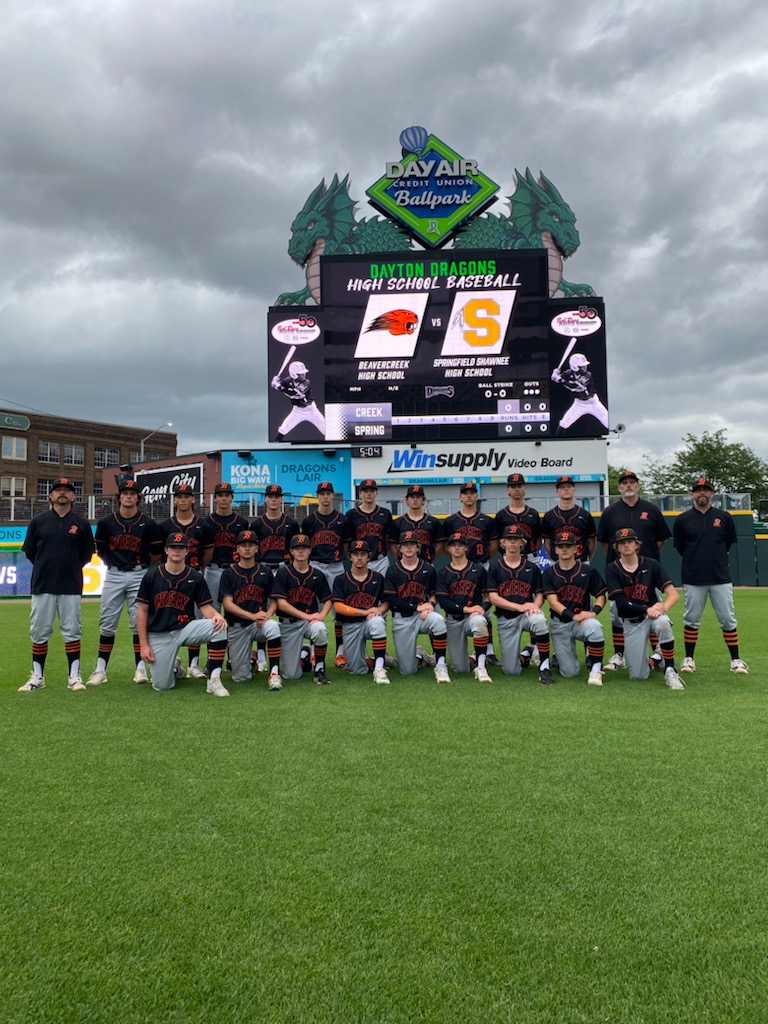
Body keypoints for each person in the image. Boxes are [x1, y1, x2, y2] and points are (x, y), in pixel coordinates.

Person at [19, 477, 95, 692]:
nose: (63, 493)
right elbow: (31, 552)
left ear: (73, 496)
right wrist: (47, 567)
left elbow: (87, 555)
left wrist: (69, 567)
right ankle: (37, 677)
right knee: (39, 631)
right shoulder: (38, 521)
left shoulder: (81, 524)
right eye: (58, 490)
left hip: (70, 585)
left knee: (72, 630)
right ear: (51, 496)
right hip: (43, 584)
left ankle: (74, 676)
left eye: (67, 490)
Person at [85, 478, 163, 687]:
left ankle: (140, 669)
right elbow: (101, 551)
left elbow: (156, 553)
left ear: (138, 497)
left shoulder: (148, 523)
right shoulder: (106, 523)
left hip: (139, 574)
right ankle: (100, 669)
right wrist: (115, 563)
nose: (128, 496)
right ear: (119, 497)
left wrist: (143, 565)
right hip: (114, 574)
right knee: (107, 623)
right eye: (125, 493)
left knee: (138, 624)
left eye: (132, 493)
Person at [136, 533, 229, 695]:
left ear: (187, 551)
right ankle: (173, 668)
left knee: (219, 626)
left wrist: (216, 615)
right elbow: (142, 611)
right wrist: (143, 645)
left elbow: (205, 607)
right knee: (162, 686)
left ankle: (214, 679)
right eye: (173, 547)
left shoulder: (195, 577)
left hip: (185, 628)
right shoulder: (151, 576)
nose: (176, 551)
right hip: (159, 634)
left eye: (181, 548)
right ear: (166, 550)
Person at [672, 477, 748, 675]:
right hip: (693, 577)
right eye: (698, 490)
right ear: (692, 494)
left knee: (727, 619)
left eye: (706, 490)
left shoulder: (724, 517)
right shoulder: (682, 519)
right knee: (691, 619)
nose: (702, 493)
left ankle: (736, 660)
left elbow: (727, 545)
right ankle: (689, 659)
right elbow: (681, 547)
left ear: (712, 494)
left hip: (720, 577)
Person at [598, 470, 672, 671]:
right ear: (620, 487)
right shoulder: (610, 511)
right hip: (619, 573)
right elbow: (605, 542)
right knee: (617, 615)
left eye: (632, 482)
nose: (628, 485)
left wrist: (645, 560)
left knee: (654, 611)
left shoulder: (651, 510)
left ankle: (657, 651)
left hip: (648, 573)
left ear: (638, 485)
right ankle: (619, 654)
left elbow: (661, 540)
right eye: (625, 483)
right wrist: (621, 558)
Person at [604, 528, 684, 689]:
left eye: (629, 542)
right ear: (617, 548)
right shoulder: (612, 569)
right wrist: (647, 609)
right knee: (638, 676)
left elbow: (673, 595)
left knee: (663, 623)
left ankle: (670, 669)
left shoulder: (651, 564)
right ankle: (656, 658)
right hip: (631, 621)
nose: (626, 545)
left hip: (653, 617)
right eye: (622, 543)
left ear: (636, 545)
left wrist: (662, 608)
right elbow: (621, 603)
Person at [486, 525, 553, 683]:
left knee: (540, 620)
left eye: (516, 540)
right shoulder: (495, 568)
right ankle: (526, 653)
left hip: (526, 615)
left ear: (522, 543)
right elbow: (493, 597)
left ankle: (544, 667)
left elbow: (539, 594)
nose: (513, 543)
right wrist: (520, 607)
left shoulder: (531, 568)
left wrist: (535, 607)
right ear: (503, 543)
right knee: (511, 671)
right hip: (506, 619)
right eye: (509, 540)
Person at [442, 481, 499, 664]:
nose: (468, 496)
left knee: (485, 610)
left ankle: (488, 650)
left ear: (476, 496)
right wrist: (459, 560)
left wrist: (478, 560)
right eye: (465, 493)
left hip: (481, 565)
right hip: (458, 567)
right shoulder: (451, 521)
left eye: (472, 493)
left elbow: (493, 545)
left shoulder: (486, 520)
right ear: (460, 497)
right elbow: (445, 546)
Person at [219, 529, 283, 691]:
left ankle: (274, 673)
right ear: (237, 549)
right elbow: (227, 604)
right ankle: (252, 661)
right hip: (237, 627)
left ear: (257, 548)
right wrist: (253, 616)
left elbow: (274, 599)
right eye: (243, 545)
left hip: (259, 625)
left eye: (251, 545)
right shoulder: (229, 573)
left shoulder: (265, 571)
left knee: (274, 626)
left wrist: (268, 615)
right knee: (241, 678)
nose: (247, 548)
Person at [541, 528, 607, 685]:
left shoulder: (587, 570)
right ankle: (560, 659)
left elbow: (601, 596)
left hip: (581, 622)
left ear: (575, 548)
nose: (564, 549)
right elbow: (553, 602)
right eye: (561, 546)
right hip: (560, 624)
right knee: (570, 673)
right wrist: (573, 616)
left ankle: (596, 669)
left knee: (595, 626)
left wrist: (594, 612)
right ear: (555, 549)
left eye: (568, 546)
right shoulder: (549, 573)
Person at [384, 530, 450, 682]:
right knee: (408, 671)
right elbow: (392, 600)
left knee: (439, 621)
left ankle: (440, 665)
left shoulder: (428, 568)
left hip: (423, 616)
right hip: (402, 619)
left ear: (418, 548)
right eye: (405, 545)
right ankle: (419, 655)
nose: (408, 548)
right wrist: (416, 607)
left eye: (412, 545)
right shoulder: (392, 571)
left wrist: (431, 604)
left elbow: (435, 593)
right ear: (399, 548)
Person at [158, 482, 208, 678]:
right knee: (170, 617)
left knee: (195, 619)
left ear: (193, 499)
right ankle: (172, 660)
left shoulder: (202, 525)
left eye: (187, 496)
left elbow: (208, 551)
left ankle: (194, 664)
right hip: (170, 578)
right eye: (179, 497)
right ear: (175, 500)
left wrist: (197, 570)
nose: (183, 500)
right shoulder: (165, 526)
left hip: (194, 574)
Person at [272, 533, 332, 683]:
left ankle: (319, 667)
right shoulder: (283, 572)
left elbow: (328, 600)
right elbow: (281, 603)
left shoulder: (317, 574)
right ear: (291, 551)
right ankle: (305, 654)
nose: (301, 551)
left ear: (310, 550)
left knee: (320, 630)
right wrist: (308, 616)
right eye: (297, 548)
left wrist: (322, 615)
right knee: (291, 675)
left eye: (304, 548)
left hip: (309, 623)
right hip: (289, 623)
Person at [436, 532, 492, 683]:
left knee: (480, 621)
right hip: (453, 620)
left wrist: (482, 607)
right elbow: (443, 602)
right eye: (453, 545)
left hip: (472, 618)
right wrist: (467, 609)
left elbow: (488, 596)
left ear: (466, 548)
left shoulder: (478, 570)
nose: (457, 548)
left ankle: (481, 666)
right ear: (448, 549)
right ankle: (473, 658)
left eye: (460, 545)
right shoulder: (443, 572)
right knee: (460, 668)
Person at [332, 540, 391, 684]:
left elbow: (387, 601)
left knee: (378, 621)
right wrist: (364, 612)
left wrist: (379, 610)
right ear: (350, 557)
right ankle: (375, 660)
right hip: (350, 625)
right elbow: (338, 606)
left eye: (363, 554)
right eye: (355, 554)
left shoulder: (377, 578)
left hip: (369, 623)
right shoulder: (341, 579)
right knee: (357, 670)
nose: (359, 557)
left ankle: (379, 667)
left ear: (368, 557)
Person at [304, 481, 347, 667]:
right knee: (314, 608)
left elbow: (346, 545)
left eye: (328, 493)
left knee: (339, 610)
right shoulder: (309, 521)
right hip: (315, 565)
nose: (325, 496)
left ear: (332, 496)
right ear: (318, 496)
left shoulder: (342, 520)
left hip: (336, 566)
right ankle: (314, 651)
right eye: (322, 493)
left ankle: (340, 652)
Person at [201, 482, 249, 611]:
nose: (223, 498)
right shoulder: (206, 523)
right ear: (215, 498)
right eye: (220, 495)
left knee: (238, 606)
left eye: (227, 495)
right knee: (213, 608)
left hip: (235, 569)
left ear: (232, 498)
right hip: (213, 569)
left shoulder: (241, 523)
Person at [541, 475, 597, 562]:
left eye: (569, 486)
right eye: (562, 487)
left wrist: (587, 559)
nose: (566, 489)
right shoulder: (549, 516)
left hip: (580, 560)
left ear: (574, 490)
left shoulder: (585, 515)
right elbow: (547, 543)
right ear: (557, 491)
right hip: (557, 561)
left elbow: (592, 542)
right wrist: (553, 559)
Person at [551, 351, 609, 433]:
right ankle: (556, 442)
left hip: (593, 403)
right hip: (579, 404)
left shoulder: (588, 375)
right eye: (582, 366)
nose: (585, 367)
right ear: (575, 367)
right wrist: (555, 374)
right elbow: (556, 379)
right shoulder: (568, 373)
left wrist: (559, 379)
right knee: (563, 424)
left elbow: (574, 386)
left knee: (609, 423)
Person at [344, 479, 393, 575]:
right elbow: (348, 540)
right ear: (360, 494)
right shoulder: (351, 514)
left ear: (376, 493)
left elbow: (389, 538)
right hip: (359, 559)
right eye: (366, 491)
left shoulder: (385, 513)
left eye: (372, 491)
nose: (369, 494)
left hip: (380, 560)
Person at [250, 483, 300, 573]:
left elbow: (297, 549)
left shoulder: (292, 524)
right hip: (262, 568)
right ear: (265, 499)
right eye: (270, 496)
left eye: (276, 497)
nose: (273, 499)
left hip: (285, 567)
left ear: (281, 499)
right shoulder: (256, 525)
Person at [271, 359, 326, 440]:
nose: (303, 375)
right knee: (283, 429)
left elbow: (294, 393)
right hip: (297, 411)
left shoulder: (306, 382)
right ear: (294, 374)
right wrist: (274, 381)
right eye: (301, 374)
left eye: (304, 373)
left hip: (312, 410)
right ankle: (275, 447)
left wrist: (278, 386)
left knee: (326, 430)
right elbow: (278, 386)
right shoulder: (287, 381)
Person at [493, 473, 541, 563]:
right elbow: (498, 541)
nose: (516, 489)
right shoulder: (501, 515)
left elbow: (538, 540)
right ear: (508, 490)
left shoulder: (533, 513)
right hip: (508, 558)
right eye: (513, 486)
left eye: (519, 486)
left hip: (531, 558)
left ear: (525, 488)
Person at [391, 485, 443, 562]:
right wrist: (401, 559)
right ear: (407, 500)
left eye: (418, 497)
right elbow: (393, 545)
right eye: (412, 497)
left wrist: (431, 558)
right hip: (405, 564)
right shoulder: (398, 522)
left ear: (423, 500)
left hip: (426, 563)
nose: (415, 500)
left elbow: (440, 544)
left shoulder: (433, 522)